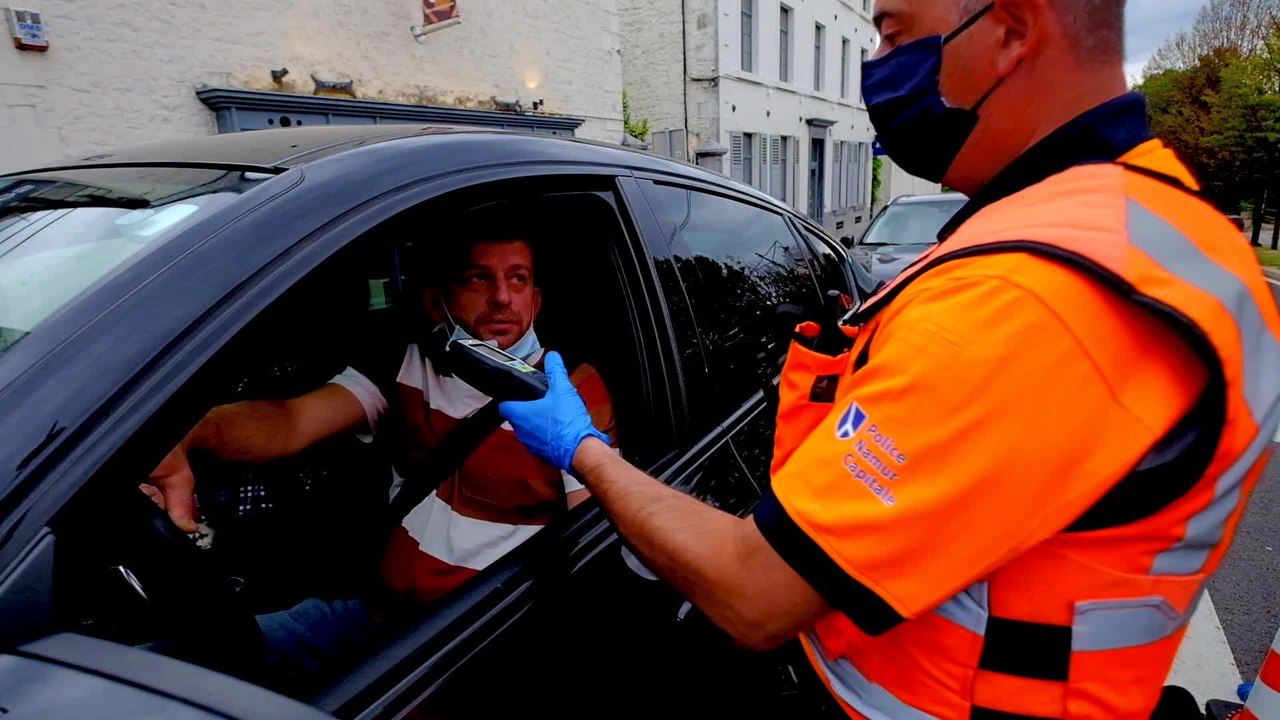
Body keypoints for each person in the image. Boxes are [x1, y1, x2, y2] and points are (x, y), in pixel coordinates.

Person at [497, 1, 1280, 718]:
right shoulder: (1165, 230)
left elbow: (753, 595)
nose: (876, 65)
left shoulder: (1034, 292)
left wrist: (583, 450)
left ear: (1010, 29)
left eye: (895, 33)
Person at [147, 219, 617, 683]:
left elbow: (593, 534)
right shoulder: (407, 362)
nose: (501, 298)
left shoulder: (569, 391)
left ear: (535, 300)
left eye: (518, 280)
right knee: (158, 671)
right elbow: (291, 423)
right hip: (378, 618)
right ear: (438, 302)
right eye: (479, 278)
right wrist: (187, 433)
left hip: (483, 636)